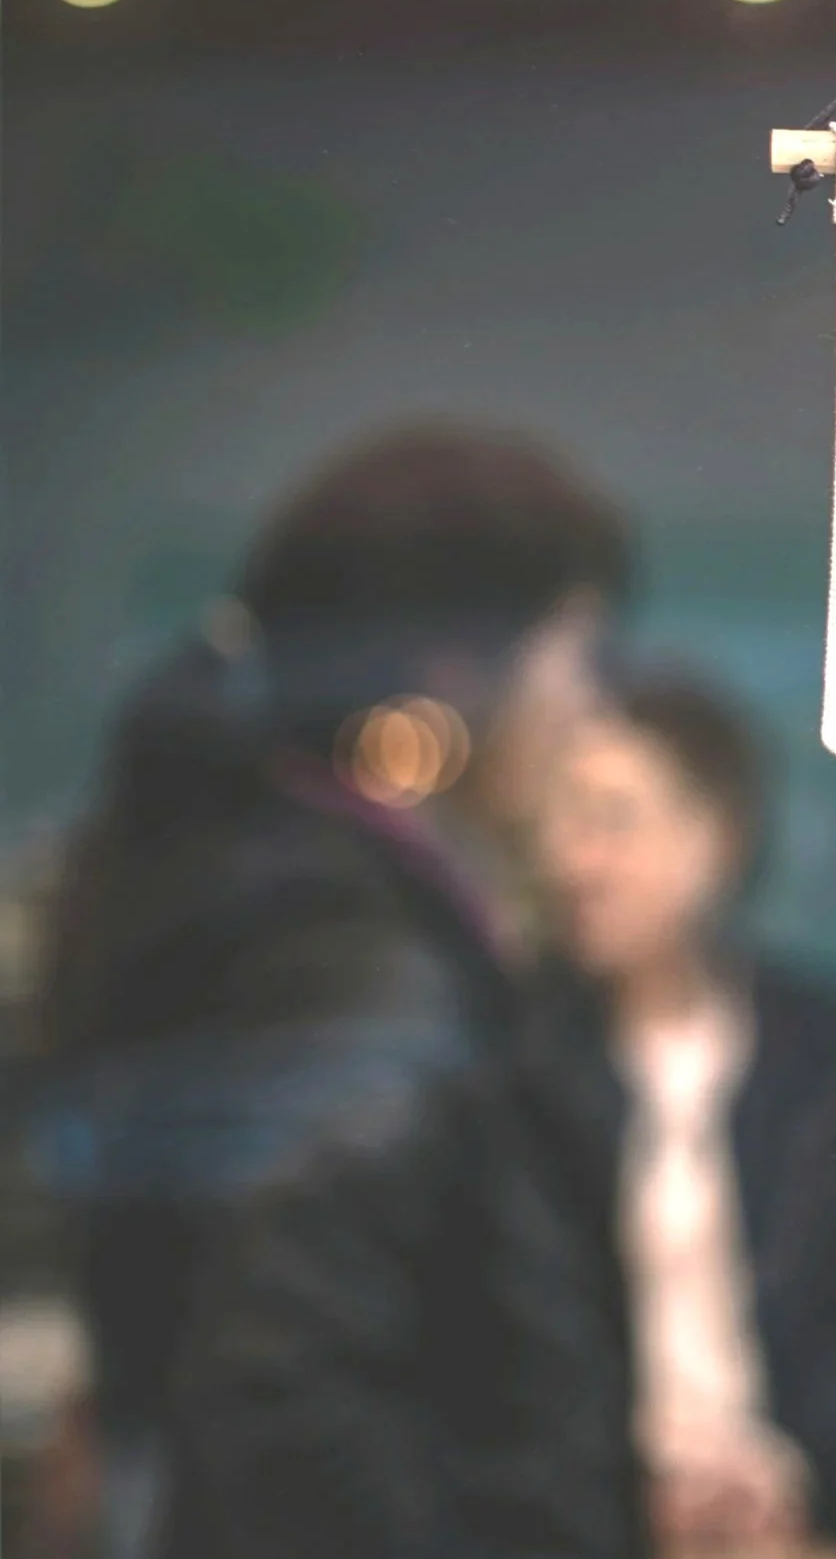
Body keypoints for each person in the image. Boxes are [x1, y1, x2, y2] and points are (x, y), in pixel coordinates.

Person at [32, 419, 644, 1559]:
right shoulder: (347, 962)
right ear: (459, 672)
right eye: (574, 658)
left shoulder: (262, 891)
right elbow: (292, 1386)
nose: (588, 713)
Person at [533, 668, 836, 1554]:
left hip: (806, 1520)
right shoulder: (518, 1060)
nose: (574, 862)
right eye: (560, 823)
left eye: (613, 821)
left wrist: (783, 1466)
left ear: (713, 838)